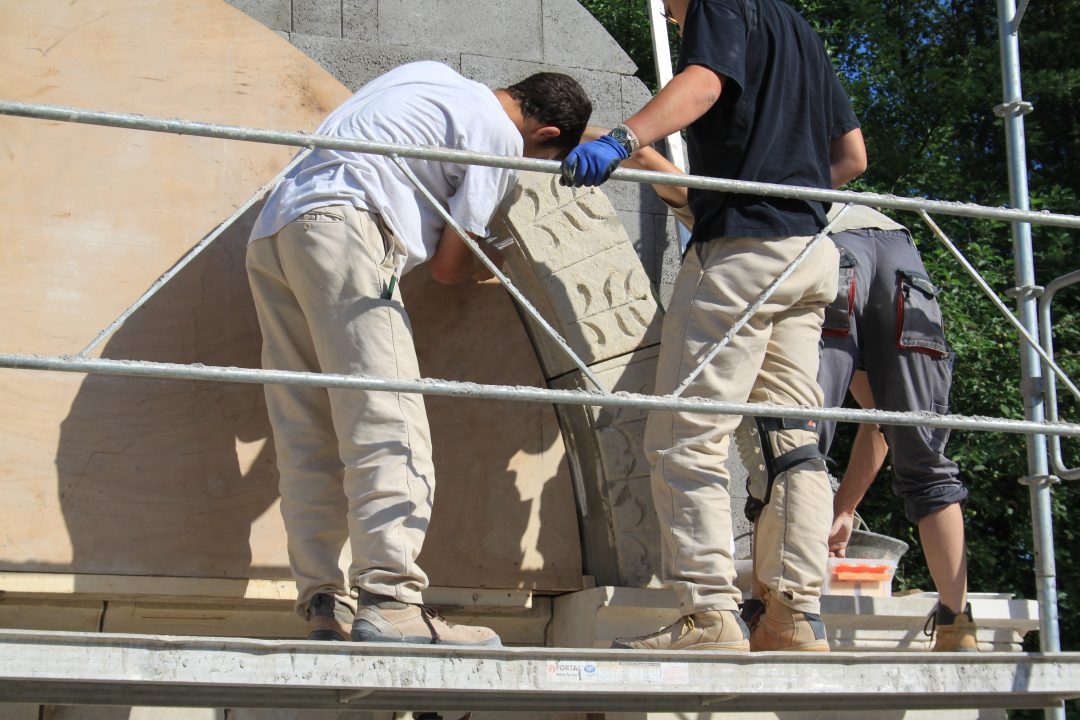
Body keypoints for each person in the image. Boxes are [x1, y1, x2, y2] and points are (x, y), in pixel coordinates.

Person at [246, 61, 591, 645]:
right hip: (350, 228)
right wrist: (491, 259)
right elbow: (451, 268)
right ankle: (392, 600)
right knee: (390, 419)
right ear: (546, 134)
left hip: (278, 228)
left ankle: (325, 603)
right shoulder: (500, 138)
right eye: (541, 159)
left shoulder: (429, 76)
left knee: (306, 427)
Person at [561, 0, 866, 652]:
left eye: (671, 11)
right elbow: (852, 157)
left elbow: (702, 84)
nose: (674, 19)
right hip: (809, 252)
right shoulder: (799, 31)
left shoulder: (720, 3)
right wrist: (783, 191)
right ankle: (792, 616)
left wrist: (622, 140)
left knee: (684, 437)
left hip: (741, 254)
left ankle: (709, 616)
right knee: (791, 442)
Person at [816, 204, 978, 652]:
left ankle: (778, 612)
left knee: (796, 446)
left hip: (832, 244)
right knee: (925, 457)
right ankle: (956, 624)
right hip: (903, 256)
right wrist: (844, 509)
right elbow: (879, 425)